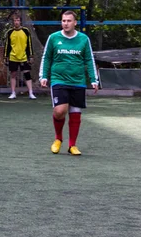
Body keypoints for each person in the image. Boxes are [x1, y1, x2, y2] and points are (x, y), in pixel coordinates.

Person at [39, 10, 99, 155]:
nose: (65, 23)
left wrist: (93, 79)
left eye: (68, 21)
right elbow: (47, 57)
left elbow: (89, 60)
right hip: (58, 79)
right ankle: (58, 138)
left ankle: (72, 145)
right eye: (63, 21)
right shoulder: (53, 38)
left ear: (75, 23)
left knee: (75, 112)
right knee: (60, 111)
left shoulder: (83, 39)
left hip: (78, 81)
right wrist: (43, 76)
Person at [4, 14, 36, 99]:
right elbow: (7, 45)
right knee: (13, 74)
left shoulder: (26, 31)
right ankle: (13, 93)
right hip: (13, 57)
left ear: (20, 21)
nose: (16, 22)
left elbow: (29, 44)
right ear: (13, 22)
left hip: (24, 57)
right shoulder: (10, 32)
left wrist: (31, 56)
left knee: (27, 74)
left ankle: (31, 93)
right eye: (15, 20)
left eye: (18, 20)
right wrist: (5, 56)